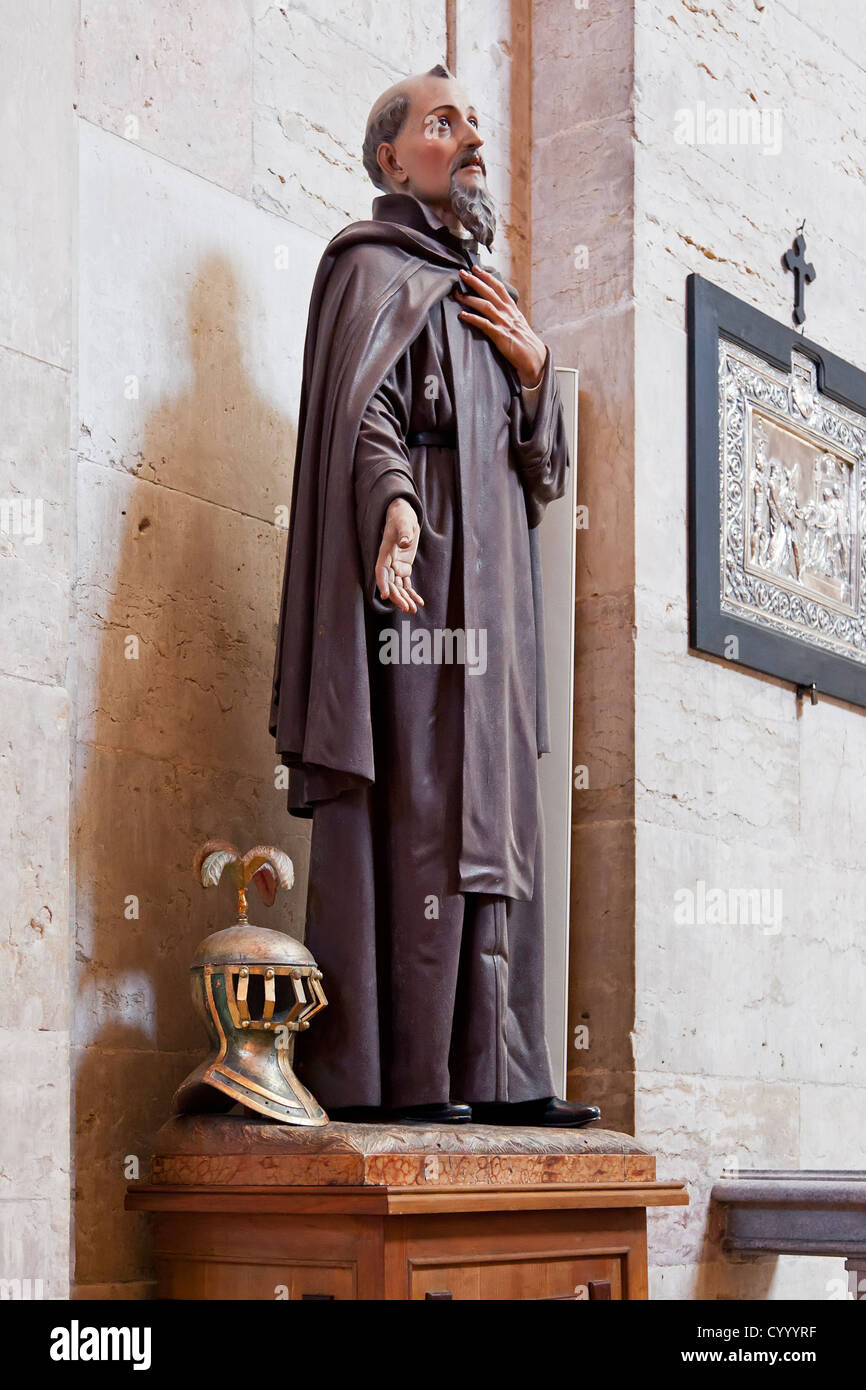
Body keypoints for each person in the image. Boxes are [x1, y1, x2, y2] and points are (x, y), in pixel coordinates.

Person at [269, 63, 601, 1127]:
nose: (468, 140)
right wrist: (397, 506)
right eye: (441, 123)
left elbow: (540, 471)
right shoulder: (368, 269)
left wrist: (538, 368)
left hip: (498, 604)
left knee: (498, 827)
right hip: (424, 600)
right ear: (389, 157)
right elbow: (359, 416)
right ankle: (411, 1072)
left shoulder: (487, 298)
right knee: (422, 815)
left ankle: (501, 1073)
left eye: (472, 125)